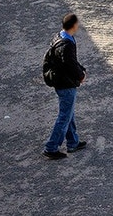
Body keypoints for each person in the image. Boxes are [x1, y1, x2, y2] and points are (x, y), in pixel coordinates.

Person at [41, 12, 87, 159]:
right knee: (65, 116)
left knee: (69, 113)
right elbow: (70, 64)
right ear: (73, 26)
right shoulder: (66, 45)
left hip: (60, 82)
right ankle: (51, 147)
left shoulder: (60, 37)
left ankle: (73, 142)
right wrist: (81, 75)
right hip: (65, 84)